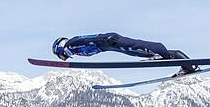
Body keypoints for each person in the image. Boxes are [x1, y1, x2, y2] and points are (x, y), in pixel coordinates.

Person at [52, 32, 198, 76]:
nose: (63, 58)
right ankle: (187, 65)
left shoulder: (72, 44)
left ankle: (162, 53)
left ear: (60, 48)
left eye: (60, 55)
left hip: (108, 41)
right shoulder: (73, 48)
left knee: (137, 47)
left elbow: (87, 39)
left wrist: (104, 39)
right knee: (137, 52)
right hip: (107, 45)